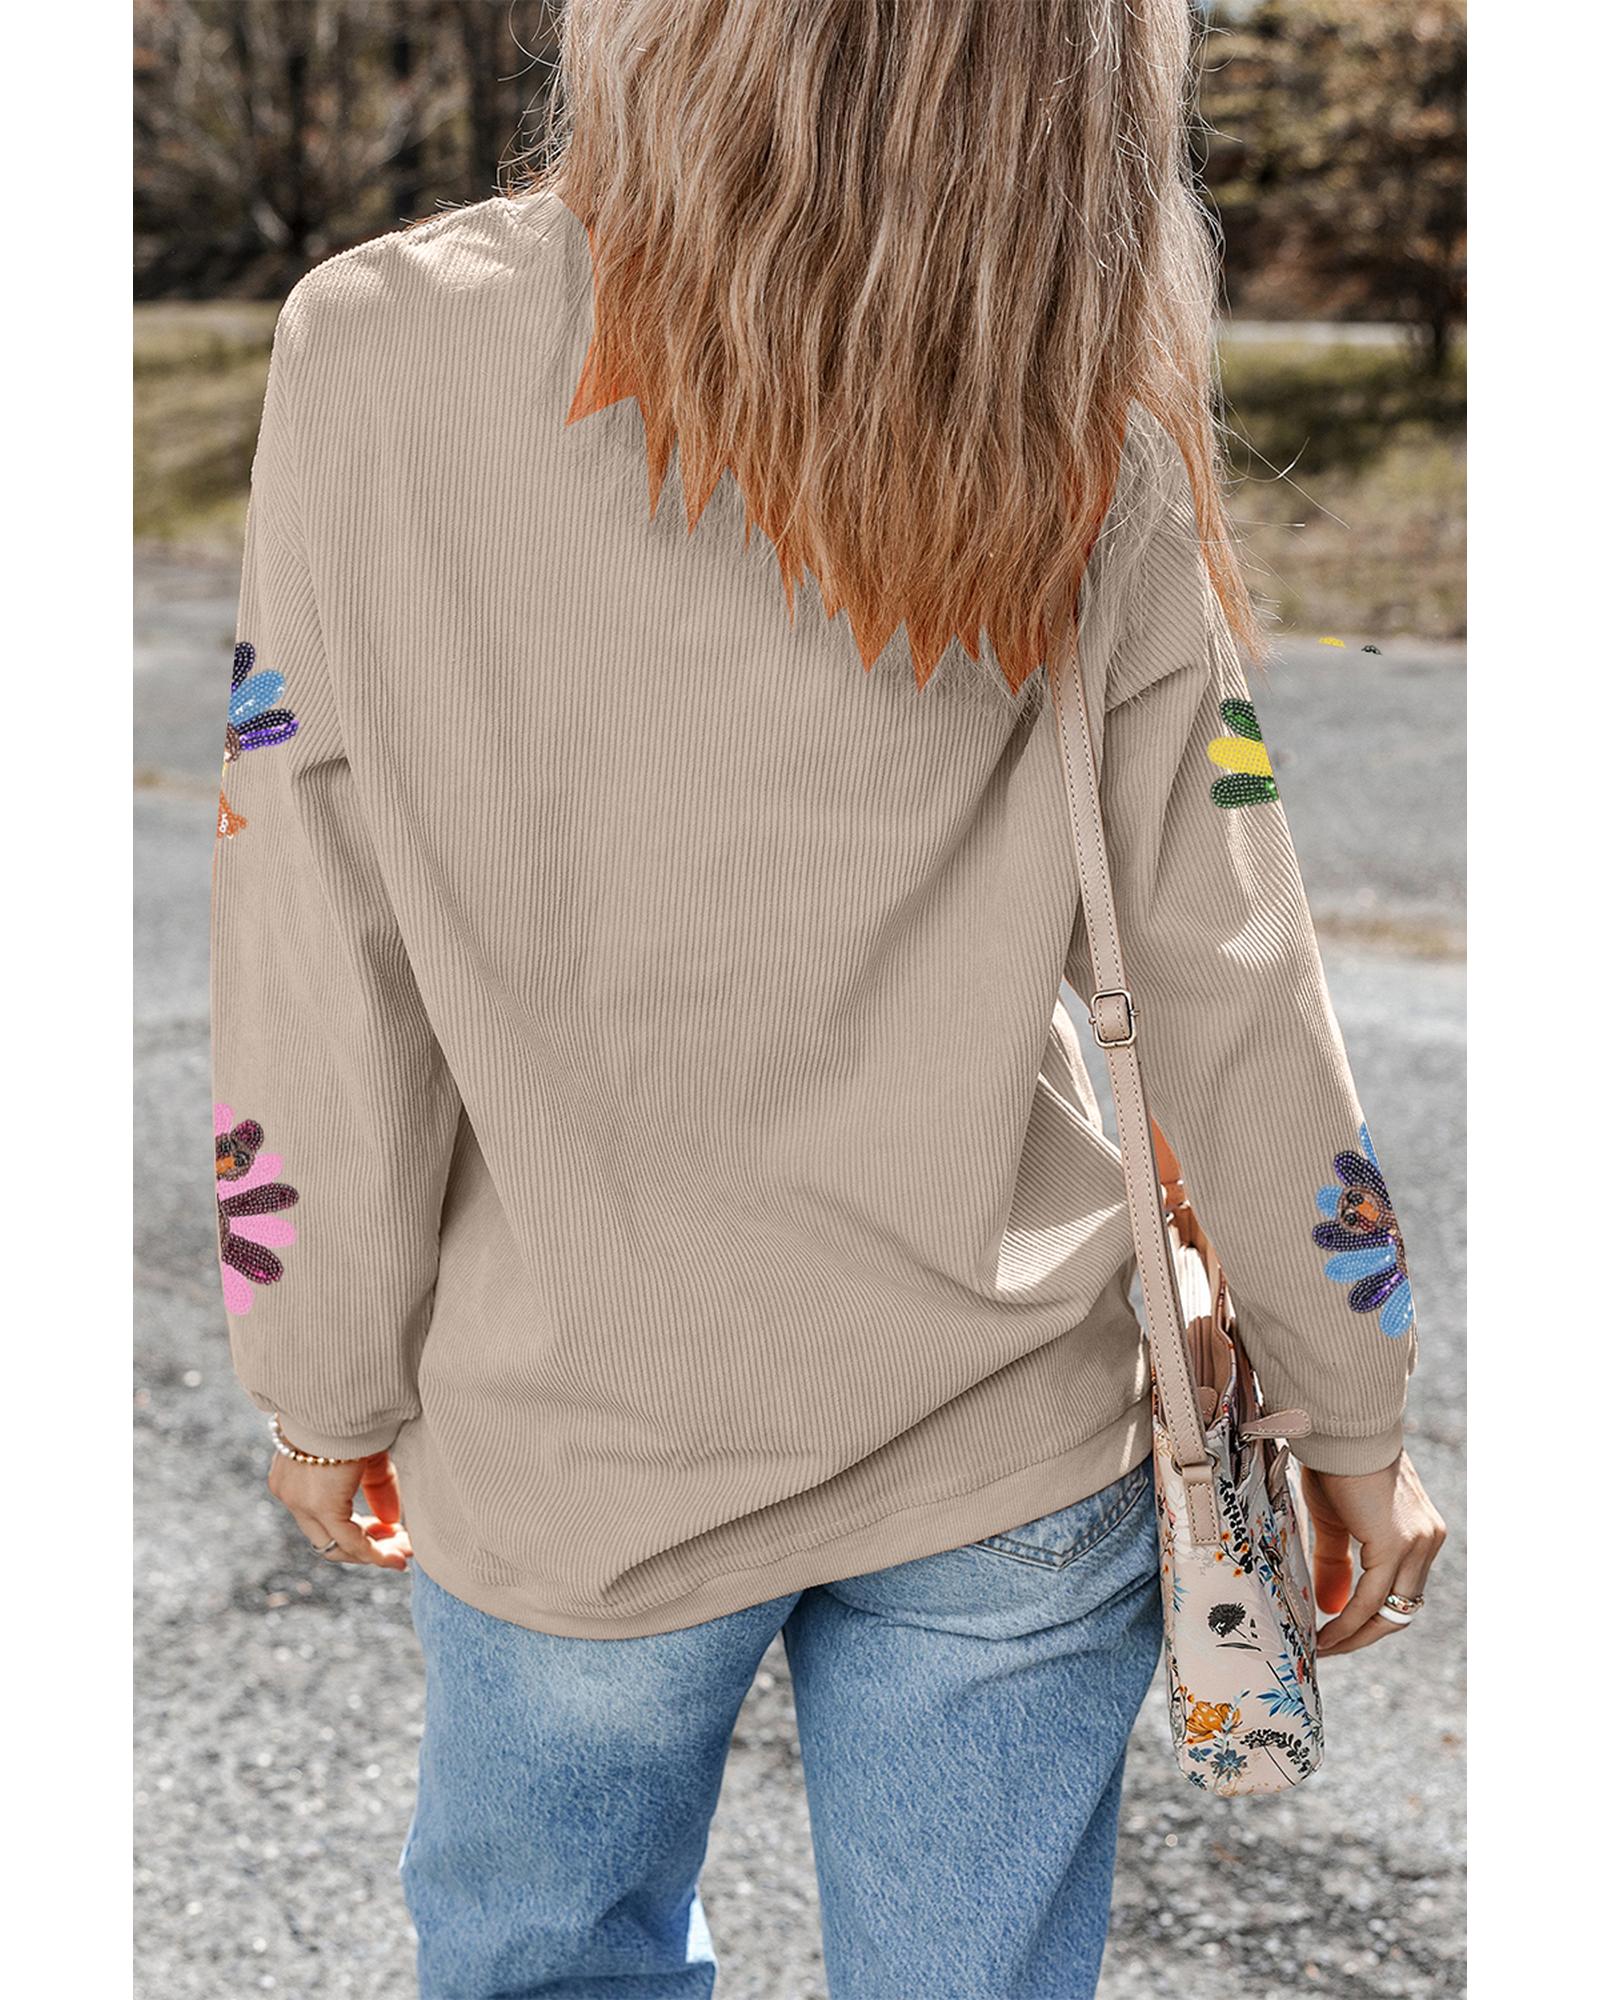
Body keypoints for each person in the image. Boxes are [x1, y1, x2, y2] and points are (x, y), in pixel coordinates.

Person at [209, 3, 1446, 1994]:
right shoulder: (1072, 411)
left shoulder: (375, 348)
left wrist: (323, 1370)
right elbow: (1228, 958)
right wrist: (1351, 1408)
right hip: (1008, 1436)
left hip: (577, 1433)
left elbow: (316, 922)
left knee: (549, 1964)